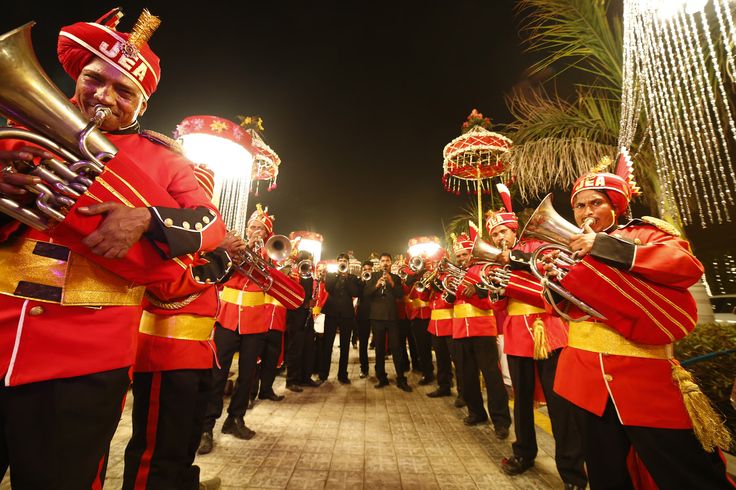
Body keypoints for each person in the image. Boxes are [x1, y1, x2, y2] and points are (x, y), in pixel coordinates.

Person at [0, 8, 226, 488]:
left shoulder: (164, 159)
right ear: (75, 76)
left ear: (141, 105)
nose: (103, 96)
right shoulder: (18, 128)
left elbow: (211, 226)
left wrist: (147, 217)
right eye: (94, 79)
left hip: (83, 361)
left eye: (124, 91)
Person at [546, 155, 735, 489]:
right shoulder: (570, 249)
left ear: (616, 206)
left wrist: (603, 245)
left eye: (596, 203)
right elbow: (564, 309)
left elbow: (685, 265)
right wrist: (553, 281)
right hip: (585, 379)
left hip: (644, 378)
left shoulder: (646, 233)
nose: (587, 213)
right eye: (579, 206)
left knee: (685, 472)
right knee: (607, 476)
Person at [123, 166, 239, 490]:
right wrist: (222, 259)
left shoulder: (199, 241)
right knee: (157, 453)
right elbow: (165, 286)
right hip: (167, 353)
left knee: (184, 447)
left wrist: (219, 254)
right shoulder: (163, 233)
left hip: (198, 353)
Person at [484, 194, 586, 489]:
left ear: (514, 229)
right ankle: (524, 453)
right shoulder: (499, 262)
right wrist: (496, 290)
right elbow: (499, 306)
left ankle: (572, 473)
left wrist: (511, 261)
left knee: (559, 405)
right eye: (495, 234)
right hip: (517, 334)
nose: (500, 237)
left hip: (547, 329)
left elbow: (547, 273)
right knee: (522, 401)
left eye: (503, 231)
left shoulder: (534, 245)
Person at [198, 205, 303, 454]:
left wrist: (262, 254)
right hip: (228, 319)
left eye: (259, 229)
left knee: (247, 376)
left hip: (256, 323)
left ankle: (235, 419)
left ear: (268, 235)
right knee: (217, 374)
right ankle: (206, 427)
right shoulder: (233, 247)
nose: (254, 231)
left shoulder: (272, 257)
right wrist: (235, 252)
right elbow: (220, 275)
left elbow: (277, 281)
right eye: (252, 227)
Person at [450, 231, 511, 439]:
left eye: (465, 254)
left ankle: (501, 421)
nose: (461, 258)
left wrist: (477, 290)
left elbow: (494, 298)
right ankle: (476, 412)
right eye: (458, 256)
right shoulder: (455, 273)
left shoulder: (485, 269)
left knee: (492, 377)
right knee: (467, 377)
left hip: (482, 328)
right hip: (460, 330)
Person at [365, 253, 411, 391]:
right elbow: (366, 294)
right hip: (377, 317)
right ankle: (381, 377)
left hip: (392, 317)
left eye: (387, 261)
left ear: (391, 263)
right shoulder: (373, 276)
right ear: (379, 263)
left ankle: (401, 379)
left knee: (397, 348)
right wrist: (377, 285)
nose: (385, 263)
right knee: (379, 349)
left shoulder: (396, 278)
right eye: (383, 261)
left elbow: (400, 295)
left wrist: (391, 282)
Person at [320, 253, 360, 384]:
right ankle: (323, 373)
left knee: (344, 345)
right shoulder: (331, 275)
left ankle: (342, 374)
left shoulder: (352, 278)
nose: (343, 262)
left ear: (348, 263)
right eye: (341, 261)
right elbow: (328, 288)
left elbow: (355, 292)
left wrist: (346, 278)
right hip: (331, 313)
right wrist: (339, 275)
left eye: (345, 261)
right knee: (327, 344)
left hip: (347, 314)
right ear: (337, 263)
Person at [285, 250, 320, 391]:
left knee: (308, 348)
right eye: (307, 260)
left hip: (307, 316)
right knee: (295, 349)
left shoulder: (310, 276)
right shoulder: (292, 274)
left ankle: (305, 377)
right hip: (295, 316)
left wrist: (311, 302)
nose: (309, 264)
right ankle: (292, 380)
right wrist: (305, 303)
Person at [355, 260, 374, 378]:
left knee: (379, 343)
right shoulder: (359, 282)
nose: (367, 271)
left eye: (369, 269)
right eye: (365, 269)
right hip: (363, 315)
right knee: (363, 343)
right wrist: (361, 281)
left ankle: (380, 369)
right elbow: (356, 294)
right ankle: (364, 368)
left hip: (376, 314)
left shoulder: (376, 280)